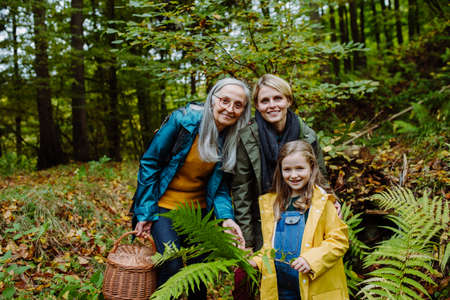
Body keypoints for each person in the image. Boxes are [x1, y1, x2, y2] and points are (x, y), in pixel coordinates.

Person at [130, 78, 251, 299]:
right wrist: (145, 212)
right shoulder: (183, 121)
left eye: (237, 105)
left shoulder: (232, 138)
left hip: (199, 212)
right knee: (171, 264)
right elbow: (150, 163)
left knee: (199, 273)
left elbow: (221, 186)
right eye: (225, 101)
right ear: (212, 100)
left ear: (243, 111)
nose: (230, 109)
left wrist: (226, 218)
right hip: (163, 207)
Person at [232, 74, 329, 252]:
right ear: (257, 105)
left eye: (278, 98)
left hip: (303, 215)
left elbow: (320, 180)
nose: (272, 105)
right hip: (262, 218)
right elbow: (242, 193)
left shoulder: (306, 135)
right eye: (265, 101)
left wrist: (332, 205)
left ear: (288, 100)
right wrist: (248, 241)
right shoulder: (247, 138)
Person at [249, 140, 349, 300]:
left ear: (312, 168)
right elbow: (270, 250)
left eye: (300, 168)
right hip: (281, 289)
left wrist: (311, 260)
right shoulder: (272, 204)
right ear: (280, 171)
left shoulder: (323, 202)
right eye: (287, 169)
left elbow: (339, 241)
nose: (293, 175)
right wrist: (256, 262)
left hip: (313, 287)